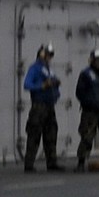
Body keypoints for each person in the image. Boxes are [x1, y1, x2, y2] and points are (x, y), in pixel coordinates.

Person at [21, 43, 63, 171]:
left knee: (51, 133)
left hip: (50, 105)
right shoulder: (34, 68)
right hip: (39, 106)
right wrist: (42, 86)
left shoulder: (49, 69)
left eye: (51, 55)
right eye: (48, 54)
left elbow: (52, 83)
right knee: (34, 133)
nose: (50, 57)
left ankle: (52, 162)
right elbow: (27, 84)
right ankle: (29, 164)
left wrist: (55, 85)